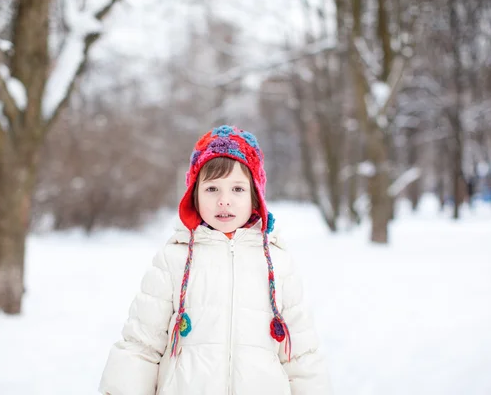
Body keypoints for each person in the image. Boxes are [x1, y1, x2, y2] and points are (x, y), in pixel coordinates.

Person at [99, 125, 332, 395]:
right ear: (194, 195)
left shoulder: (278, 264)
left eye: (237, 189)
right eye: (211, 189)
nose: (224, 201)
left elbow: (301, 354)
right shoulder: (174, 258)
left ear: (255, 195)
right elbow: (142, 344)